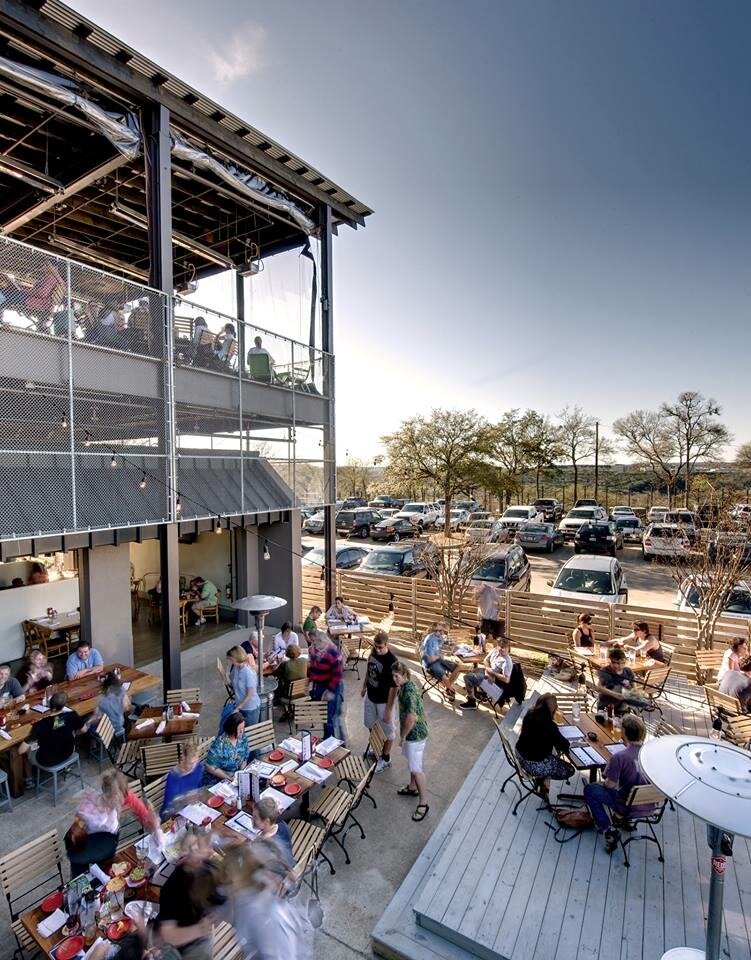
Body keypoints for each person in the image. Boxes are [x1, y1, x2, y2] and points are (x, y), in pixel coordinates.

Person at [583, 714, 655, 853]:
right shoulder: (652, 754)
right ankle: (626, 822)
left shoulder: (620, 757)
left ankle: (608, 830)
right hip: (650, 805)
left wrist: (601, 783)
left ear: (625, 732)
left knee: (590, 789)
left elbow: (609, 785)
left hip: (627, 807)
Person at [65, 770, 157, 876]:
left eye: (123, 797)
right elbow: (77, 828)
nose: (121, 802)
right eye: (117, 798)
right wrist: (79, 827)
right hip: (84, 845)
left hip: (105, 848)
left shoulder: (123, 795)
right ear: (108, 795)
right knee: (81, 875)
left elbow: (144, 815)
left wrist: (153, 823)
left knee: (108, 872)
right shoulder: (89, 807)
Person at [157, 827, 225, 960]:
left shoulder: (210, 870)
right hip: (184, 945)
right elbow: (168, 935)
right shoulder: (173, 886)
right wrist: (200, 929)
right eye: (194, 845)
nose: (194, 849)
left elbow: (225, 898)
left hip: (200, 929)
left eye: (200, 845)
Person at [19, 690, 88, 783]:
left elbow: (20, 750)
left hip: (47, 760)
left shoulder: (41, 724)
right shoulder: (72, 715)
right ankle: (66, 767)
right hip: (68, 752)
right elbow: (84, 730)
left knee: (26, 755)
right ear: (64, 705)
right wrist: (73, 734)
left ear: (49, 705)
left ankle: (29, 780)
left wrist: (32, 739)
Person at [515, 693, 575, 797]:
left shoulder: (529, 714)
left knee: (552, 756)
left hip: (520, 755)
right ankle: (543, 779)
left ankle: (544, 782)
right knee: (570, 770)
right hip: (534, 765)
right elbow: (564, 745)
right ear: (553, 709)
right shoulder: (550, 725)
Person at [392, 660, 429, 822]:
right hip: (414, 734)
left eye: (397, 676)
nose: (394, 679)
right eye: (393, 676)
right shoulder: (407, 685)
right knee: (413, 764)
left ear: (405, 675)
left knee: (416, 768)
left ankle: (424, 803)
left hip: (415, 736)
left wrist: (403, 736)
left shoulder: (408, 692)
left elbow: (412, 717)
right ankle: (412, 788)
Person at [360, 631, 397, 771]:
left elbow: (394, 688)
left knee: (388, 731)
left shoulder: (392, 661)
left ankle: (386, 758)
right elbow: (369, 670)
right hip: (371, 696)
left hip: (383, 701)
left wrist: (389, 709)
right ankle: (377, 749)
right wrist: (364, 686)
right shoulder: (373, 653)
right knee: (370, 724)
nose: (377, 649)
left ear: (386, 644)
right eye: (375, 646)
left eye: (380, 647)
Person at [307, 630, 345, 741]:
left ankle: (335, 742)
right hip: (319, 685)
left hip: (332, 685)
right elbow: (313, 668)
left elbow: (338, 673)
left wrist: (330, 690)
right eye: (311, 642)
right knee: (325, 715)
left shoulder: (333, 651)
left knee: (331, 716)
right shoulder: (314, 650)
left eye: (314, 641)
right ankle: (328, 738)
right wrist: (310, 682)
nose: (313, 644)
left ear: (321, 640)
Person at [462, 638, 513, 710]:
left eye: (505, 647)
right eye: (501, 647)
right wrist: (488, 670)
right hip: (488, 675)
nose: (503, 649)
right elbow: (485, 660)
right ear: (497, 646)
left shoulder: (507, 661)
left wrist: (492, 673)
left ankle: (472, 702)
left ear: (508, 648)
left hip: (494, 683)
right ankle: (479, 693)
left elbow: (506, 679)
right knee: (471, 671)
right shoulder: (495, 651)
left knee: (468, 677)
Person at [202, 712, 249, 785]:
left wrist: (242, 773)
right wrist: (229, 779)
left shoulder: (243, 738)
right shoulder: (220, 744)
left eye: (243, 728)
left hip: (235, 778)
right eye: (239, 729)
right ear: (232, 728)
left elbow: (245, 757)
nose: (241, 731)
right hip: (219, 780)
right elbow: (210, 767)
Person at [161, 742, 205, 818]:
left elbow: (201, 787)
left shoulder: (198, 767)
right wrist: (185, 799)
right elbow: (169, 805)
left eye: (195, 762)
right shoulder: (174, 776)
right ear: (184, 758)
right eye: (190, 763)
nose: (193, 766)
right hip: (174, 815)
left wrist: (200, 795)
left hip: (193, 809)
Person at [594, 648, 643, 714]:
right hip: (606, 706)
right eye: (616, 663)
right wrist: (616, 695)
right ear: (610, 661)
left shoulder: (628, 671)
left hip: (623, 707)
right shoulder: (604, 671)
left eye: (622, 663)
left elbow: (634, 688)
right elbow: (599, 688)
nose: (619, 666)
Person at [420, 622, 460, 702]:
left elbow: (447, 644)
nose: (440, 632)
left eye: (441, 630)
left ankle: (447, 687)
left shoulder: (439, 637)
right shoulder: (430, 640)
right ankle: (450, 689)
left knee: (458, 668)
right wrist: (440, 655)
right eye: (437, 630)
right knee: (444, 677)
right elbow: (431, 659)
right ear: (432, 631)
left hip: (438, 660)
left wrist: (452, 646)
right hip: (430, 663)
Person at [252, 797, 294, 866]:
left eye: (255, 817)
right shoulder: (283, 825)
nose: (252, 819)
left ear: (266, 821)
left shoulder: (263, 844)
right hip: (289, 864)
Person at [90, 672, 131, 741]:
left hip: (108, 730)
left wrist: (88, 722)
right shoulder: (121, 690)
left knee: (90, 727)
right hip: (121, 724)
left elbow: (97, 717)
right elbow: (127, 707)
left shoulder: (101, 699)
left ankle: (93, 744)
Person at [226, 645, 260, 726]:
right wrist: (226, 673)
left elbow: (250, 695)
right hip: (241, 706)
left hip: (250, 708)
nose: (231, 662)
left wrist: (238, 708)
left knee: (250, 730)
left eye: (231, 660)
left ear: (236, 658)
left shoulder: (248, 673)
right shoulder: (237, 668)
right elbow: (231, 681)